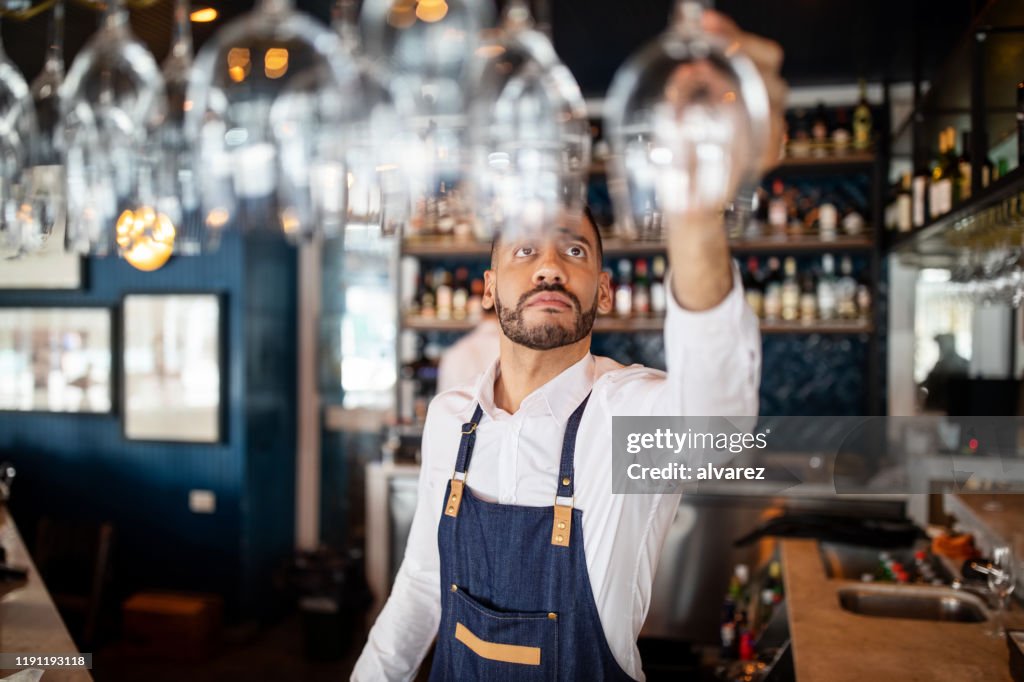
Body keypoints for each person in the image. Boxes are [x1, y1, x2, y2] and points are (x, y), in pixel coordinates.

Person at [353, 11, 786, 681]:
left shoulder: (625, 420)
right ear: (490, 289)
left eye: (574, 249)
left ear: (604, 292)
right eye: (526, 250)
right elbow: (418, 589)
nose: (549, 267)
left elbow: (720, 424)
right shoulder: (451, 419)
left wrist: (696, 211)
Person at [436, 309, 501, 395]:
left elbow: (443, 400)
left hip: (459, 407)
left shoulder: (455, 351)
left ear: (481, 314)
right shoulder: (513, 350)